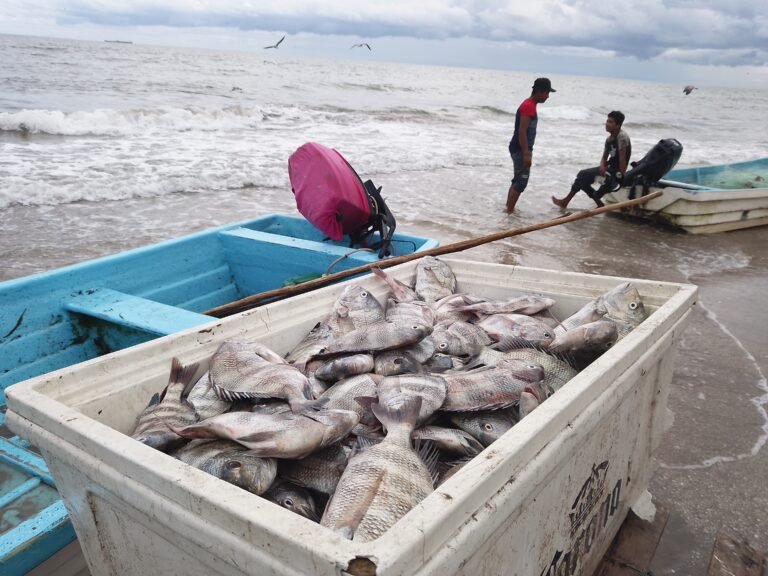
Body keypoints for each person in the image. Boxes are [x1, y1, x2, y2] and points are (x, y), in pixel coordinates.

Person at [552, 111, 632, 209]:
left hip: (615, 173)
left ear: (618, 125)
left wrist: (620, 178)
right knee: (582, 178)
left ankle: (568, 202)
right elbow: (604, 157)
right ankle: (594, 203)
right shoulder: (609, 139)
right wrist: (602, 166)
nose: (607, 124)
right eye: (607, 121)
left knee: (582, 175)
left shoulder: (622, 137)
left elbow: (622, 159)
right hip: (608, 169)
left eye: (610, 122)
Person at [505, 77, 556, 212]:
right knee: (521, 182)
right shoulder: (528, 106)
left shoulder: (529, 105)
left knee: (517, 179)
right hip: (521, 148)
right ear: (540, 92)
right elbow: (522, 131)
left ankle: (508, 209)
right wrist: (526, 154)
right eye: (547, 93)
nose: (548, 97)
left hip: (519, 147)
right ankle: (509, 211)